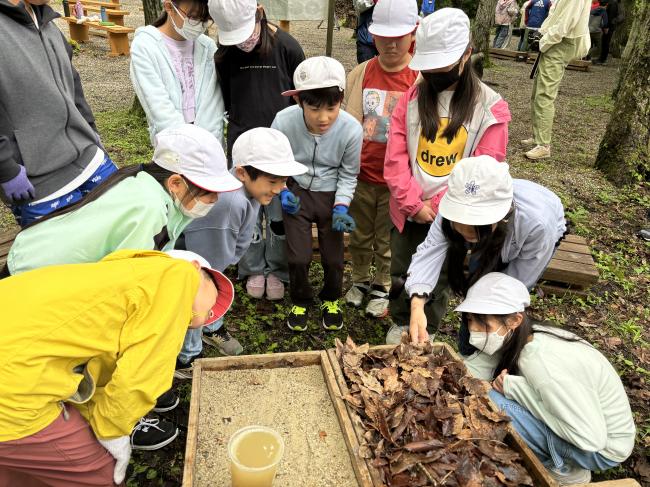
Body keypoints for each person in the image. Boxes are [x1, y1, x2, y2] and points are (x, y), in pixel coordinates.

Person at [0, 249, 235, 486]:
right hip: (11, 386)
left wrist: (99, 416)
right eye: (213, 300)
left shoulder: (121, 281)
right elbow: (141, 377)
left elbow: (99, 375)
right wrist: (113, 432)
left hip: (13, 340)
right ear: (195, 267)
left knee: (18, 469)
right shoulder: (177, 277)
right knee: (98, 472)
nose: (209, 317)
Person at [383, 8, 511, 345]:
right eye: (430, 69)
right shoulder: (411, 99)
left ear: (467, 54)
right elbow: (395, 157)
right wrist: (413, 203)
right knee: (402, 266)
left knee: (439, 274)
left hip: (457, 211)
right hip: (408, 207)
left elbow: (485, 166)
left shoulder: (490, 109)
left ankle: (430, 325)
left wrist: (440, 206)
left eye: (443, 68)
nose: (435, 76)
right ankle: (401, 319)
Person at [456, 273, 635, 485]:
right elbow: (473, 370)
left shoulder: (542, 363)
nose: (473, 329)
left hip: (603, 448)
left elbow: (589, 438)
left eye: (482, 322)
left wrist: (514, 388)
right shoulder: (521, 334)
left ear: (514, 319)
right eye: (470, 319)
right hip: (585, 423)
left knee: (490, 401)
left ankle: (565, 469)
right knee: (480, 391)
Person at [7, 124, 241, 276]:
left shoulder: (144, 182)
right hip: (32, 274)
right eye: (208, 190)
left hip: (33, 255)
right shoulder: (148, 209)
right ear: (176, 183)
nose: (215, 198)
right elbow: (126, 278)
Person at [405, 156, 566, 351]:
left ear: (502, 213)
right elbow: (429, 252)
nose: (465, 231)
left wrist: (490, 313)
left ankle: (487, 349)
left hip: (538, 225)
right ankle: (467, 345)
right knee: (476, 282)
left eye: (475, 224)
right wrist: (417, 307)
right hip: (495, 231)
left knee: (497, 302)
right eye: (460, 221)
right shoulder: (451, 207)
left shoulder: (537, 225)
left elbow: (516, 283)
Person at [175, 128, 307, 365]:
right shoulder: (230, 203)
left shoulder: (246, 188)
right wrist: (220, 269)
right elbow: (209, 265)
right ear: (242, 172)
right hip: (195, 262)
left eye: (284, 181)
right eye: (273, 181)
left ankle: (212, 324)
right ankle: (188, 356)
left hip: (213, 254)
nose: (279, 189)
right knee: (196, 296)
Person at [209, 0, 305, 301]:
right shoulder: (224, 55)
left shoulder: (287, 46)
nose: (243, 42)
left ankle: (276, 268)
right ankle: (250, 267)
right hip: (243, 145)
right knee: (245, 211)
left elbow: (299, 98)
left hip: (279, 148)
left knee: (276, 214)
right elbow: (226, 96)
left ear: (259, 12)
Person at [0, 0, 117, 227]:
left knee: (123, 238)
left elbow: (74, 87)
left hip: (90, 159)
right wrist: (5, 168)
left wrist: (92, 132)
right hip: (39, 180)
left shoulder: (46, 20)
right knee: (74, 258)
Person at [271, 56, 363, 332]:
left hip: (332, 194)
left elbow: (348, 173)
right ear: (299, 101)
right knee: (298, 256)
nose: (324, 118)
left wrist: (342, 206)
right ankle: (300, 300)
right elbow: (273, 163)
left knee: (334, 258)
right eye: (314, 108)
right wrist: (283, 190)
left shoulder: (350, 129)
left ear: (341, 99)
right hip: (296, 191)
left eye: (332, 108)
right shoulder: (283, 122)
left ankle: (331, 299)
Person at [343, 0, 419, 318]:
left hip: (396, 182)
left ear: (413, 33)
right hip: (363, 173)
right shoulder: (362, 73)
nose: (390, 44)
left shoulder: (419, 78)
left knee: (388, 238)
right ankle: (360, 278)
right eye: (383, 37)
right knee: (360, 233)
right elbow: (347, 121)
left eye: (398, 37)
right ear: (371, 35)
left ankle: (383, 284)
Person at [130, 0, 225, 143]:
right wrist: (185, 145)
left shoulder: (207, 47)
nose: (200, 24)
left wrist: (209, 144)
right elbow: (158, 106)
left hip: (208, 144)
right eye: (193, 17)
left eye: (205, 19)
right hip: (173, 144)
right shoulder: (145, 46)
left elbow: (214, 103)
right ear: (169, 7)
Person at [522, 0, 591, 160]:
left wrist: (544, 41)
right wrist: (542, 34)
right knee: (538, 92)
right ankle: (538, 137)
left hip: (560, 42)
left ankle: (544, 145)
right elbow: (556, 16)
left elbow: (565, 23)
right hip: (555, 40)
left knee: (545, 95)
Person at [598, 0, 622, 64]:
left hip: (609, 26)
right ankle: (601, 59)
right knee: (604, 41)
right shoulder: (612, 2)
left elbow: (611, 16)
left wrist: (607, 27)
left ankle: (602, 60)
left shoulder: (613, 2)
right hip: (609, 25)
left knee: (605, 42)